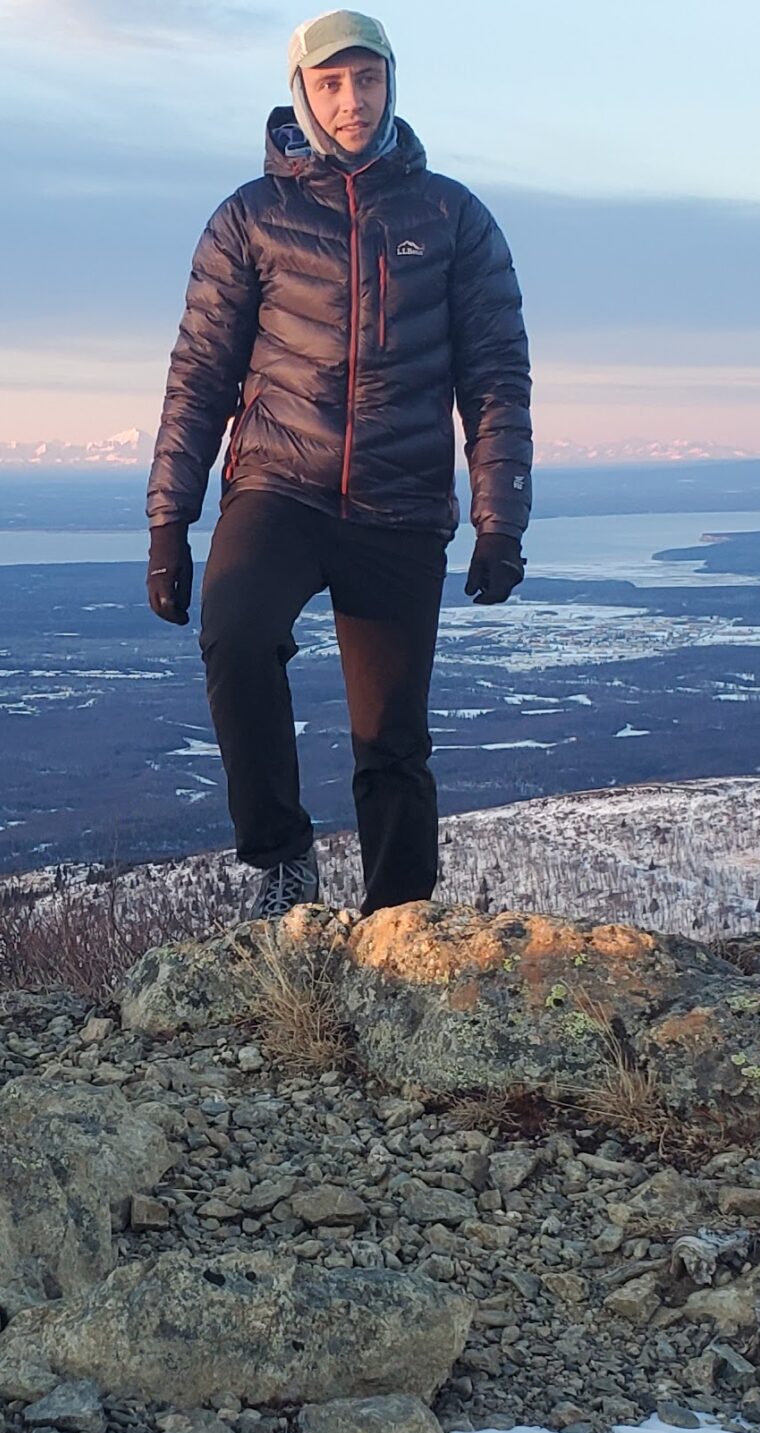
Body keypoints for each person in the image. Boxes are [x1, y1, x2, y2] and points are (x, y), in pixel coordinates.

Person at [146, 8, 532, 919]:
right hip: (279, 486)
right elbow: (198, 373)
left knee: (390, 737)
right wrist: (170, 520)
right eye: (331, 84)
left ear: (391, 83)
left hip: (398, 506)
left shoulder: (451, 218)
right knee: (235, 636)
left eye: (367, 80)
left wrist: (499, 517)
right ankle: (281, 861)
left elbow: (496, 378)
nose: (352, 101)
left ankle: (401, 927)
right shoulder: (252, 217)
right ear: (301, 94)